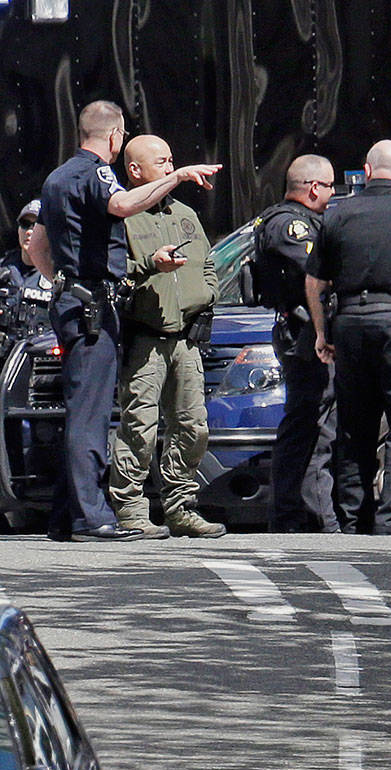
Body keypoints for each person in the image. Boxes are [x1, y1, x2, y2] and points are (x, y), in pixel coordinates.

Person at [26, 100, 221, 542]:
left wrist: (62, 280)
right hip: (92, 306)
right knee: (91, 416)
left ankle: (66, 514)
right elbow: (121, 205)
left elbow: (37, 245)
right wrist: (178, 175)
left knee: (83, 410)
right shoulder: (95, 173)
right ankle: (90, 517)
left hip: (75, 301)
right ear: (115, 138)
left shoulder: (57, 178)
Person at [305, 140, 391, 535]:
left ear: (366, 170)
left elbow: (314, 281)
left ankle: (353, 520)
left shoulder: (339, 212)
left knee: (354, 426)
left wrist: (320, 332)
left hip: (349, 323)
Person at [109, 134, 225, 539]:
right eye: (162, 162)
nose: (171, 167)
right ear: (135, 170)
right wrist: (149, 266)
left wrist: (207, 293)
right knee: (140, 424)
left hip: (186, 340)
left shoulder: (185, 215)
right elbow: (114, 273)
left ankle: (181, 507)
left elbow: (209, 264)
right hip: (146, 338)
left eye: (172, 159)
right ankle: (131, 509)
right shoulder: (122, 216)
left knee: (193, 425)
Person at [256, 154, 340, 533]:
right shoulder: (290, 225)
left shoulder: (301, 221)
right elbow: (318, 269)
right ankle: (298, 515)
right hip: (303, 336)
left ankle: (304, 513)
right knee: (307, 425)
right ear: (312, 188)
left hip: (306, 333)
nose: (333, 193)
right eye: (330, 185)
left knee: (312, 425)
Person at [0, 199, 55, 350]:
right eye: (25, 225)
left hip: (42, 360)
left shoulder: (61, 275)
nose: (29, 231)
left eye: (36, 225)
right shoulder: (3, 269)